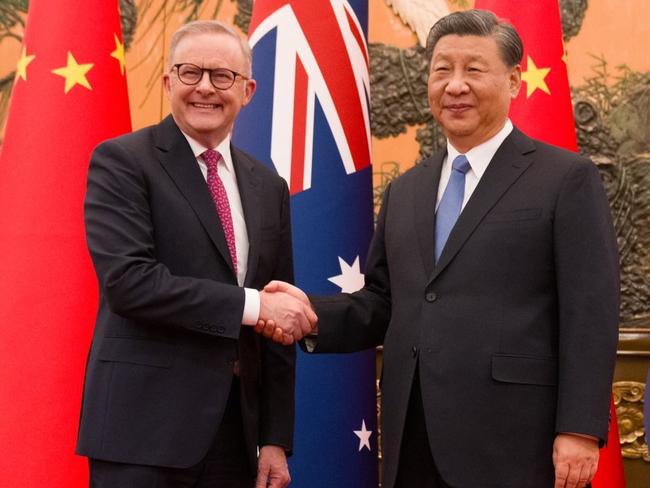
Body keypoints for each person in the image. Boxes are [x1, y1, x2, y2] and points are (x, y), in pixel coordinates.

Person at [260, 9, 620, 488]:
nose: (455, 85)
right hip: (414, 437)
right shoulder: (406, 189)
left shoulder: (564, 178)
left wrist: (578, 428)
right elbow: (383, 303)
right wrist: (310, 314)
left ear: (514, 81)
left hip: (516, 442)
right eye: (442, 70)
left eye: (473, 69)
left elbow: (590, 311)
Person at [76, 20, 316, 488]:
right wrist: (255, 306)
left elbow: (277, 322)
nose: (205, 87)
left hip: (236, 437)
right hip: (142, 434)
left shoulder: (268, 186)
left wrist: (273, 438)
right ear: (168, 83)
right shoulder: (122, 161)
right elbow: (131, 284)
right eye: (190, 73)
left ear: (247, 90)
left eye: (222, 76)